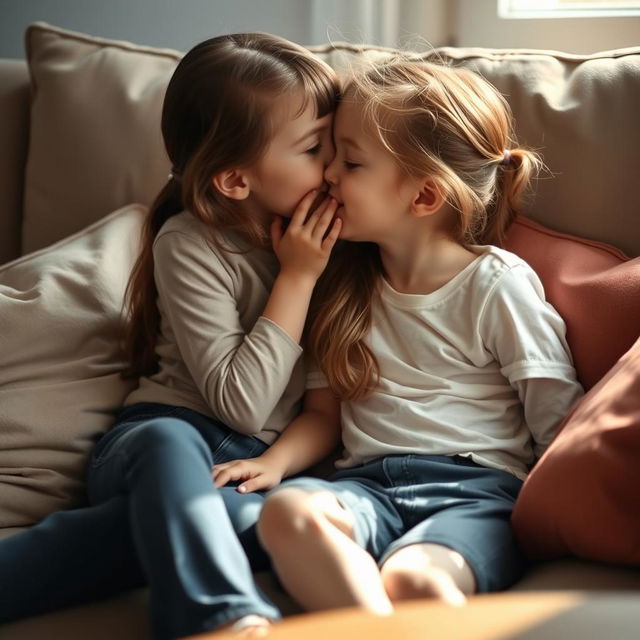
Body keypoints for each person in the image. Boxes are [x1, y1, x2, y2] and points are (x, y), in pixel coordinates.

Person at [0, 33, 342, 639]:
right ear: (236, 181)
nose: (336, 167)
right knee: (167, 441)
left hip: (262, 470)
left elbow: (324, 408)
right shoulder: (189, 243)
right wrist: (296, 278)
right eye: (317, 148)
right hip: (156, 445)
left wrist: (274, 463)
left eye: (340, 144)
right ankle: (218, 618)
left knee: (235, 523)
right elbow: (240, 403)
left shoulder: (340, 246)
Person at [247, 57, 584, 614]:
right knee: (286, 512)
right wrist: (275, 464)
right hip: (366, 488)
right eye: (329, 154)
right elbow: (324, 414)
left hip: (476, 493)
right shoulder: (340, 285)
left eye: (350, 162)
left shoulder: (495, 285)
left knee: (417, 585)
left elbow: (555, 411)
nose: (327, 174)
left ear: (424, 197)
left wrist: (556, 518)